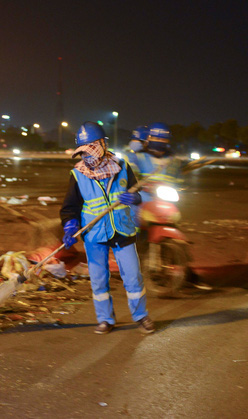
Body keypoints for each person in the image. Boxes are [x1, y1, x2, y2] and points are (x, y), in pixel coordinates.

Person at [60, 122, 155, 335]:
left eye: (91, 150)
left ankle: (141, 316)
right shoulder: (78, 174)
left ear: (103, 145)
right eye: (82, 152)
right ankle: (105, 319)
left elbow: (141, 194)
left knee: (133, 277)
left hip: (122, 230)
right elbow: (70, 207)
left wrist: (136, 197)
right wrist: (70, 226)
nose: (87, 157)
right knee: (99, 279)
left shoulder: (122, 166)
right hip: (94, 234)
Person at [127, 122, 212, 291]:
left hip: (162, 199)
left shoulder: (172, 160)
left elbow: (178, 178)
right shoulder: (138, 157)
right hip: (142, 199)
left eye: (163, 138)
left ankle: (186, 271)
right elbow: (129, 174)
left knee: (174, 225)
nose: (160, 141)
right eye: (156, 137)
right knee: (133, 229)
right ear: (148, 139)